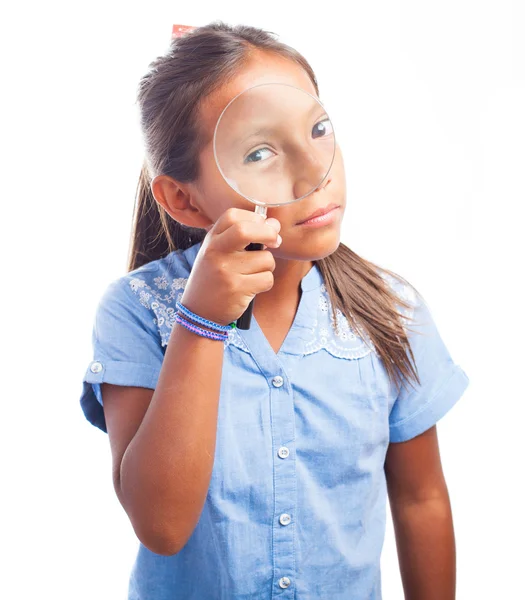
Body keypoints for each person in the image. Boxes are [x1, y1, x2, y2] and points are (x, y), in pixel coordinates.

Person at [80, 21, 470, 600]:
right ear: (183, 199)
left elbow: (421, 499)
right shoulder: (137, 310)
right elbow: (160, 526)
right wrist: (201, 324)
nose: (315, 172)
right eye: (259, 152)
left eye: (318, 129)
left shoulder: (391, 311)